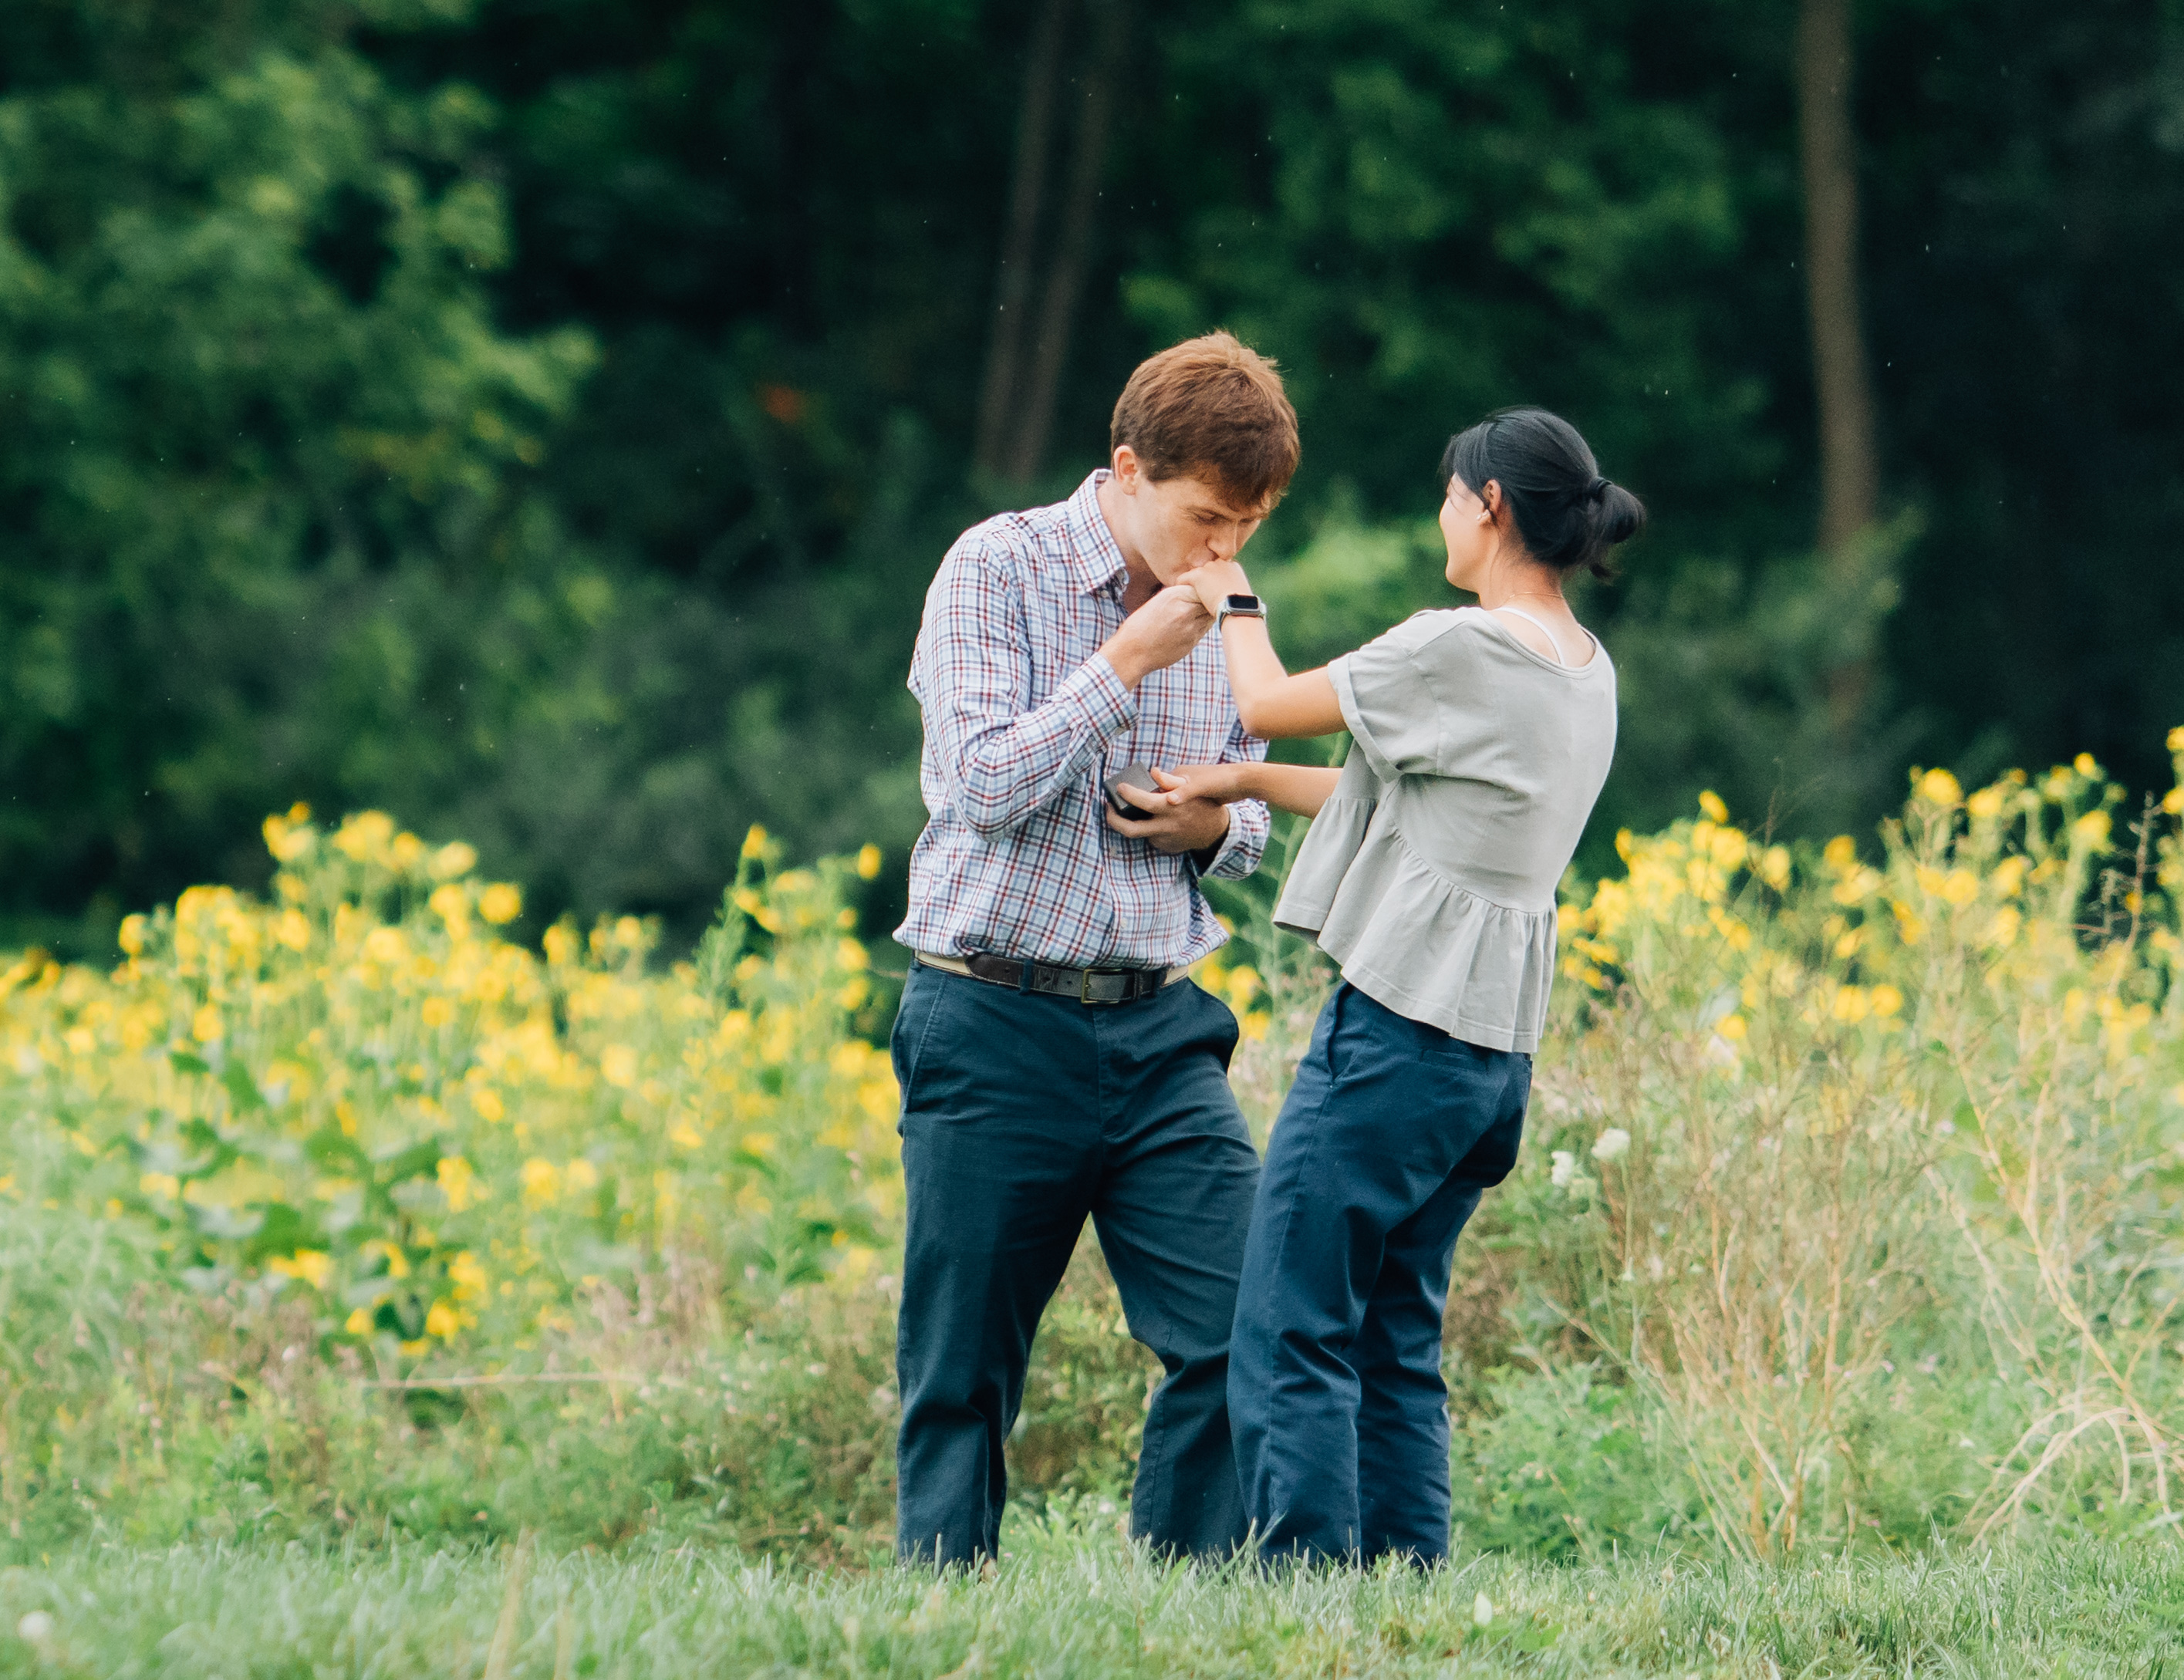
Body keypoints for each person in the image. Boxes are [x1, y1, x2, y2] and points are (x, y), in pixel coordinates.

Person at [1151, 407, 1645, 1565]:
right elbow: (1406, 791)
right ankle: (1404, 1592)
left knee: (1292, 1320)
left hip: (1396, 1036)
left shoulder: (1458, 645)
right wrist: (1244, 782)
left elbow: (1266, 696)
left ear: (1490, 506)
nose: (1440, 515)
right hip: (1490, 1060)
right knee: (1392, 1337)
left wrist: (1235, 593)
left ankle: (1310, 1588)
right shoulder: (1583, 670)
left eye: (1447, 494)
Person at [889, 332, 1301, 1567]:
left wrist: (1216, 822)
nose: (1227, 552)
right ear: (1128, 468)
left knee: (1241, 1324)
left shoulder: (1228, 599)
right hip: (993, 1014)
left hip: (1162, 1025)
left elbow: (1258, 814)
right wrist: (1127, 662)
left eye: (1252, 526)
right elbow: (982, 785)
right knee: (961, 1367)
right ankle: (941, 1615)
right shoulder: (994, 567)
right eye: (1208, 518)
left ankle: (1179, 1599)